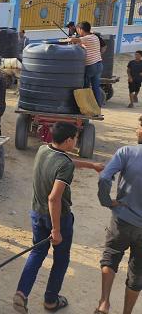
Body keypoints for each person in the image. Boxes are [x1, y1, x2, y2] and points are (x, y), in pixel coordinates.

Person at [13, 122, 79, 313]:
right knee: (61, 258)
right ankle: (51, 300)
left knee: (37, 252)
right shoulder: (65, 165)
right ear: (68, 141)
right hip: (57, 218)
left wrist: (90, 165)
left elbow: (65, 163)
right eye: (75, 138)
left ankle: (22, 293)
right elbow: (54, 198)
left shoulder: (43, 150)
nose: (76, 141)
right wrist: (56, 230)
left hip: (36, 213)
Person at [95, 116, 142, 314]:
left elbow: (105, 176)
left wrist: (107, 201)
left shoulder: (127, 152)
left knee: (111, 257)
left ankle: (104, 303)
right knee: (137, 272)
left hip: (122, 219)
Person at [69, 21, 103, 106]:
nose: (77, 32)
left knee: (85, 87)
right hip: (99, 65)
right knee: (96, 87)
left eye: (77, 30)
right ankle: (98, 106)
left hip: (91, 66)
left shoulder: (87, 37)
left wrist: (67, 40)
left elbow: (73, 39)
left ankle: (87, 105)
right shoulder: (94, 37)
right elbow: (82, 44)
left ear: (81, 29)